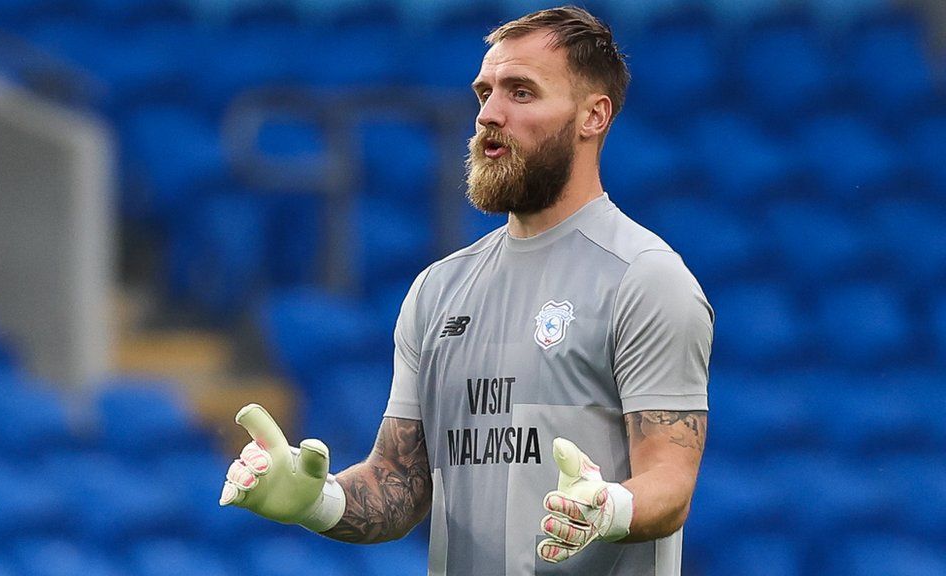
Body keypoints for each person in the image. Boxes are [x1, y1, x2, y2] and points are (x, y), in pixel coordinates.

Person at [219, 6, 714, 575]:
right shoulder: (438, 290)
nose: (489, 115)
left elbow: (671, 482)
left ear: (592, 116)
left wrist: (611, 506)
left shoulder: (646, 278)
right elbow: (398, 482)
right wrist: (315, 500)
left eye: (521, 93)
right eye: (485, 93)